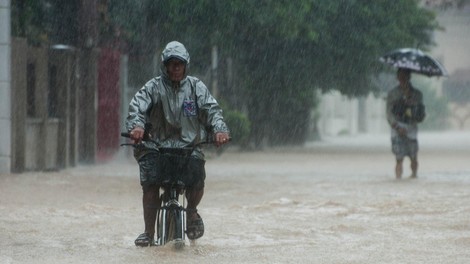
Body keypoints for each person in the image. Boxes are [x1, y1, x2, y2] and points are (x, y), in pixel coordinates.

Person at [126, 41, 230, 246]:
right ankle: (148, 232)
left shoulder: (196, 87)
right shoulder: (153, 87)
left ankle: (191, 212)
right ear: (164, 66)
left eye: (178, 64)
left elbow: (212, 111)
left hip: (188, 148)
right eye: (171, 64)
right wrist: (137, 126)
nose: (175, 69)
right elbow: (136, 108)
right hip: (155, 147)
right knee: (150, 184)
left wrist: (219, 129)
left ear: (185, 66)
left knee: (198, 179)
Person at [386, 68, 425, 179]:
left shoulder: (417, 94)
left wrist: (413, 106)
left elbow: (420, 115)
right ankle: (398, 180)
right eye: (400, 76)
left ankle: (414, 175)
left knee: (413, 157)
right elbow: (388, 114)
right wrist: (397, 127)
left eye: (404, 76)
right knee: (399, 158)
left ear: (409, 77)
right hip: (396, 129)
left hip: (411, 129)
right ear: (397, 77)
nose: (402, 79)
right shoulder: (392, 94)